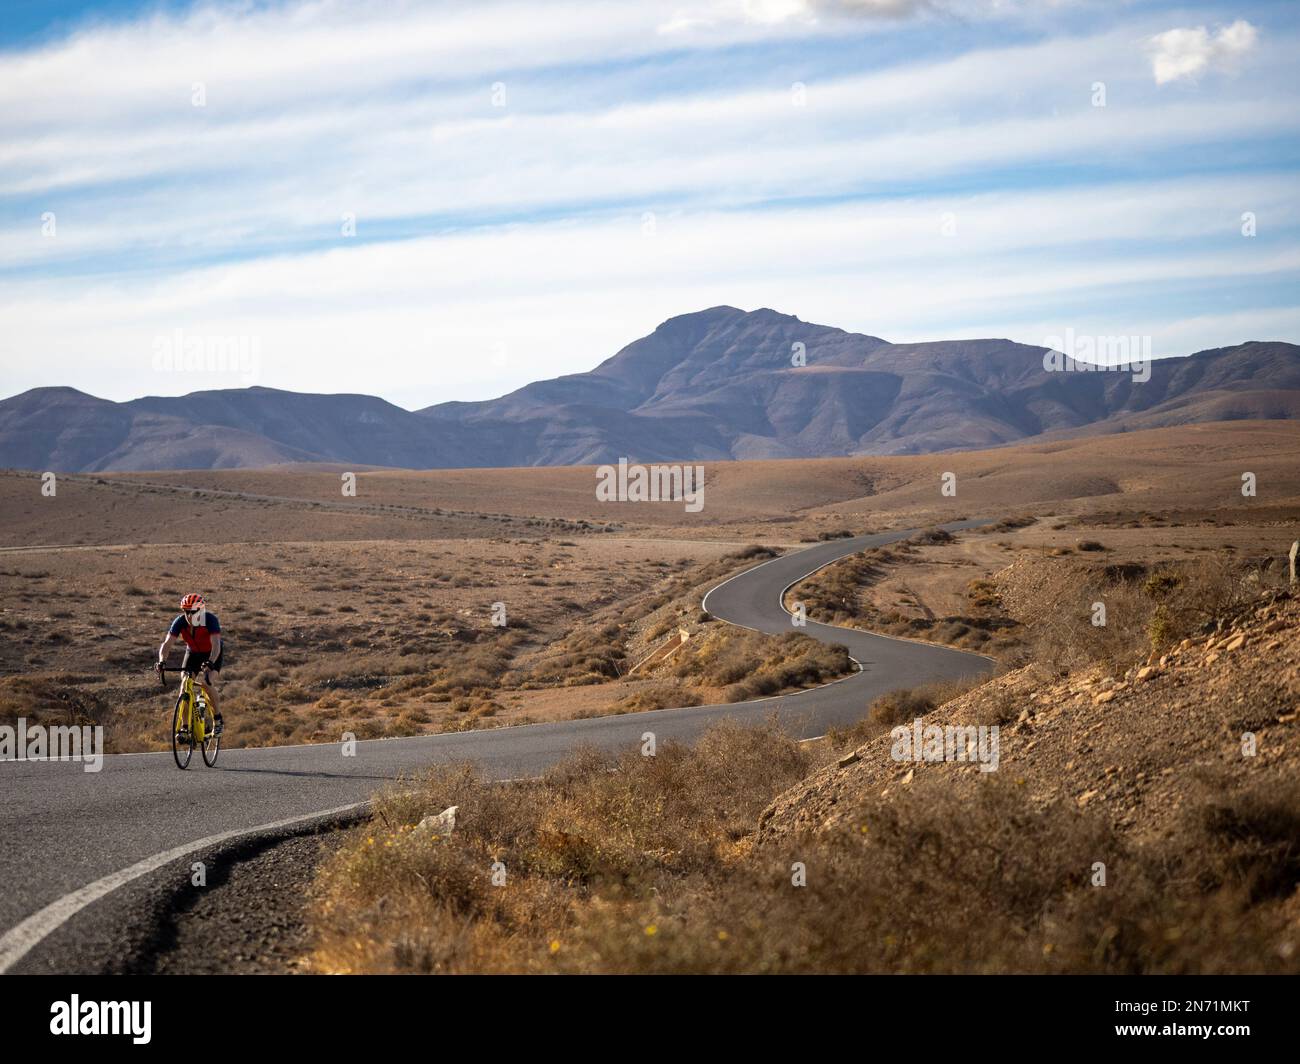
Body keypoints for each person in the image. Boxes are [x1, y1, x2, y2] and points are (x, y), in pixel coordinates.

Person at [156, 593, 224, 735]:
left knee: (207, 683)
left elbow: (216, 644)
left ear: (201, 611)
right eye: (186, 611)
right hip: (193, 653)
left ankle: (218, 719)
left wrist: (211, 662)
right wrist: (162, 661)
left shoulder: (210, 620)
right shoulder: (180, 622)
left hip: (212, 653)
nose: (189, 615)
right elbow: (167, 643)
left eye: (192, 612)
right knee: (185, 684)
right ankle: (185, 727)